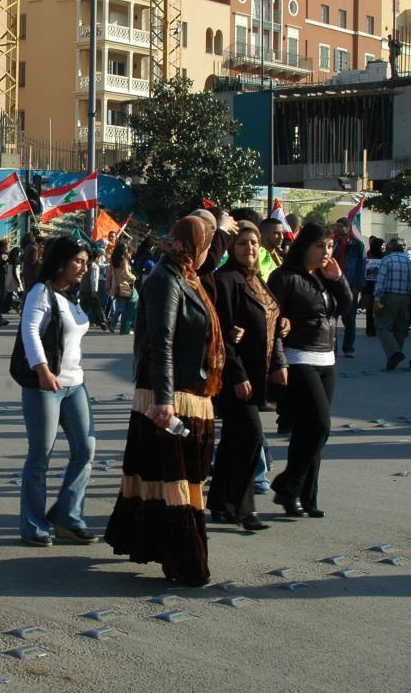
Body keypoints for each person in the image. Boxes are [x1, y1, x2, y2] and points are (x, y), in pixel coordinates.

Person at [105, 216, 224, 587]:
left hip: (191, 392)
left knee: (171, 478)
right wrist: (164, 400)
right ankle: (186, 562)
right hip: (171, 398)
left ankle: (156, 546)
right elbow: (162, 343)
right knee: (175, 482)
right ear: (194, 246)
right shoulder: (164, 280)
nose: (210, 252)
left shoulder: (187, 275)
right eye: (207, 244)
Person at [268, 222, 352, 518]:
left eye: (329, 246)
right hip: (298, 357)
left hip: (326, 359)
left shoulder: (325, 276)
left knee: (310, 433)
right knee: (319, 425)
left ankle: (304, 497)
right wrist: (278, 362)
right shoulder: (285, 277)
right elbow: (274, 324)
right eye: (320, 246)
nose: (326, 252)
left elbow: (346, 307)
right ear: (304, 246)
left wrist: (339, 279)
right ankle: (287, 485)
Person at [17, 236, 96, 547]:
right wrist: (42, 370)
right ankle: (33, 525)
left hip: (75, 384)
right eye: (78, 261)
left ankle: (68, 516)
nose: (84, 268)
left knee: (85, 449)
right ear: (61, 261)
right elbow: (29, 330)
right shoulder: (41, 291)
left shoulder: (68, 295)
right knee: (40, 456)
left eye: (86, 263)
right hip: (46, 385)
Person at [208, 222, 287, 531]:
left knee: (233, 441)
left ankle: (220, 503)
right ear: (231, 248)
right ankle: (244, 509)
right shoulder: (225, 281)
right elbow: (222, 335)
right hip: (235, 376)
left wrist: (283, 325)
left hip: (258, 374)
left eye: (253, 243)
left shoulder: (256, 280)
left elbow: (270, 315)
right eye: (242, 243)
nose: (250, 248)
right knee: (251, 436)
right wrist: (237, 374)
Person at [373, 237, 411, 370]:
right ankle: (393, 359)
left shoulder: (387, 260)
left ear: (389, 248)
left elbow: (381, 281)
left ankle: (394, 353)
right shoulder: (408, 261)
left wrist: (377, 299)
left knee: (381, 326)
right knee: (400, 329)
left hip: (389, 297)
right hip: (405, 298)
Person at [331, 217, 365, 358]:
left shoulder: (357, 245)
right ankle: (333, 349)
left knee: (349, 319)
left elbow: (361, 266)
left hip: (351, 285)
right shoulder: (334, 243)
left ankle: (348, 347)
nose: (338, 228)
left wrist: (358, 285)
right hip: (334, 284)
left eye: (340, 226)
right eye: (336, 226)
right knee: (332, 317)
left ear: (348, 227)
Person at [106, 241, 136, 334]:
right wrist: (134, 277)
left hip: (116, 285)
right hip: (125, 285)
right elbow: (126, 273)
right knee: (126, 306)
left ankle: (113, 323)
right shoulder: (124, 260)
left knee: (119, 306)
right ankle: (122, 326)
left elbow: (110, 273)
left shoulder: (113, 259)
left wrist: (108, 283)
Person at [362, 237, 385, 337]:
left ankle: (376, 328)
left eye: (384, 246)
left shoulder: (385, 256)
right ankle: (370, 329)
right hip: (369, 285)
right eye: (382, 246)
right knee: (370, 308)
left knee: (379, 308)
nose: (383, 248)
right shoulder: (368, 254)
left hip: (379, 285)